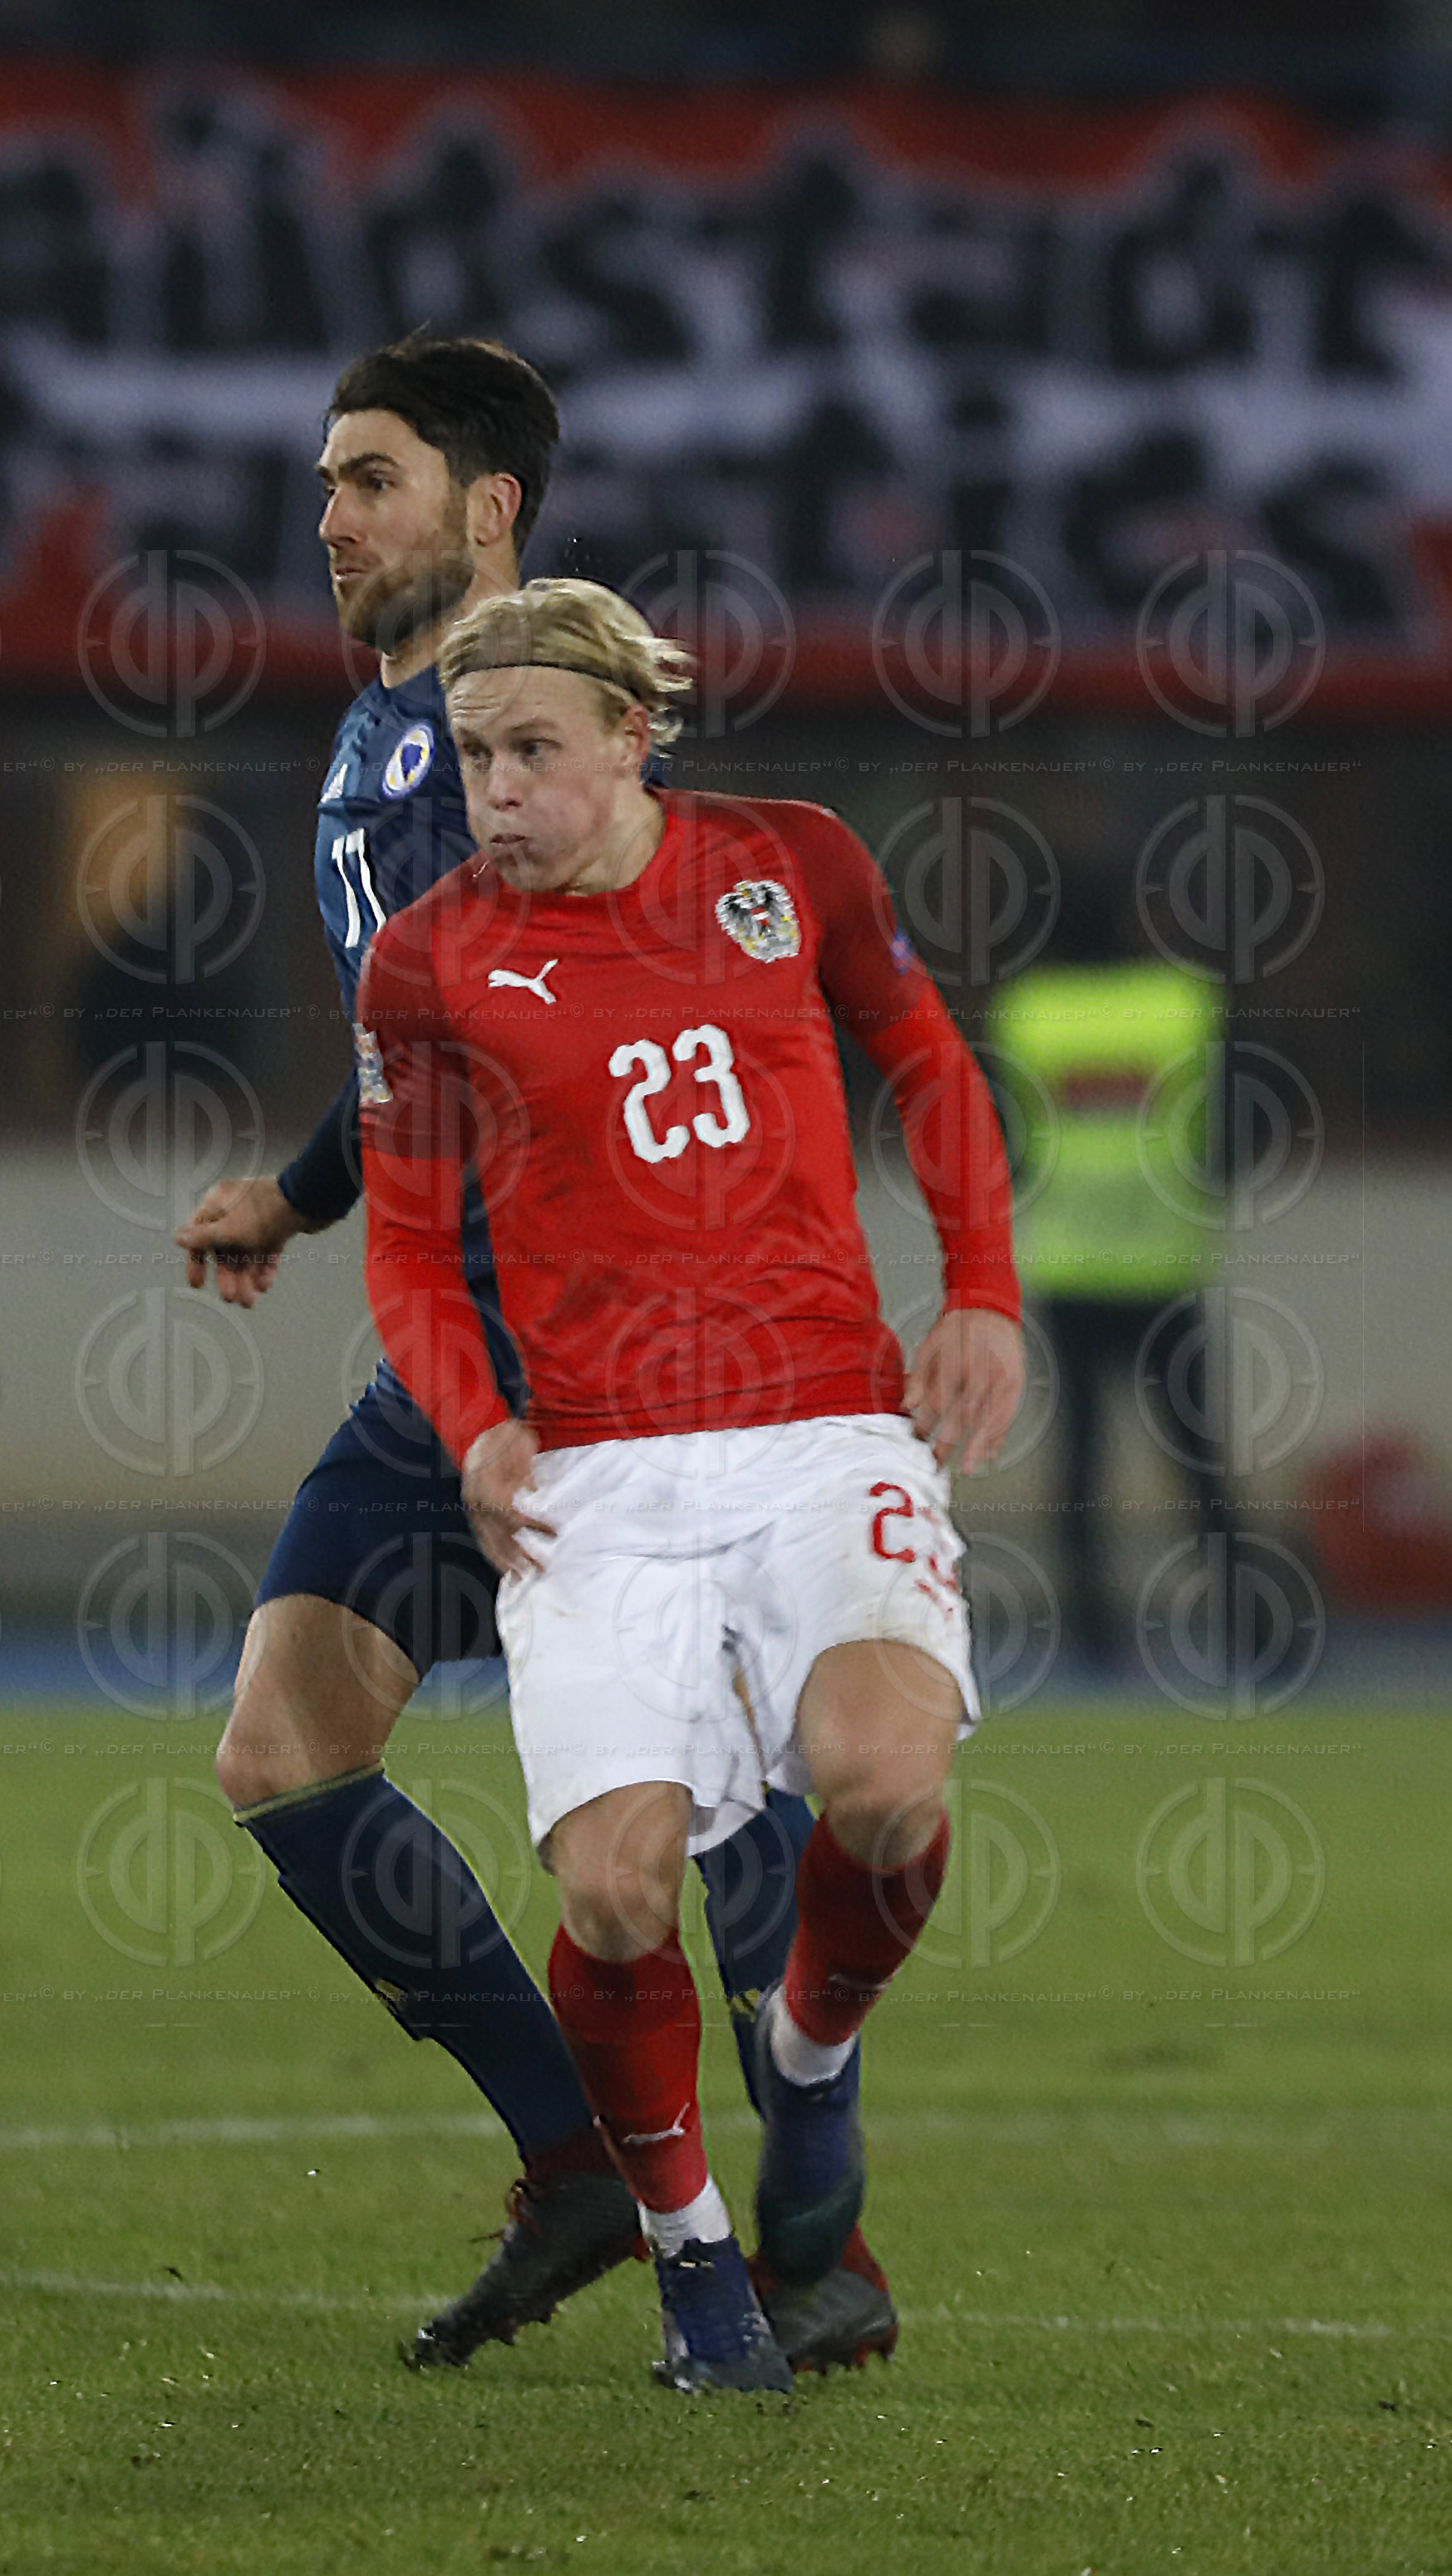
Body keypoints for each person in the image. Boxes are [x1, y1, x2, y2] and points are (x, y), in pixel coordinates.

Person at [174, 338, 860, 2372]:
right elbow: (421, 1056)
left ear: (487, 511)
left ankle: (806, 2226)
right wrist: (303, 1200)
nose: (328, 515)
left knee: (708, 1814)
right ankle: (581, 2167)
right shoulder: (386, 732)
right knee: (289, 1744)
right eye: (321, 480)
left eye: (368, 479)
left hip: (588, 1357)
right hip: (448, 1352)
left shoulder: (521, 748)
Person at [356, 580, 1024, 2392]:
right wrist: (478, 1422)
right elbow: (409, 1248)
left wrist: (979, 1284)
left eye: (532, 752)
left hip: (821, 1425)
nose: (495, 790)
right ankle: (696, 2257)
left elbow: (929, 1061)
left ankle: (807, 2073)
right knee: (617, 1892)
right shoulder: (422, 959)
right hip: (594, 1473)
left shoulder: (789, 863)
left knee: (885, 1784)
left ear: (632, 737)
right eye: (474, 757)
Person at [990, 893, 1230, 1668]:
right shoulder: (1182, 1004)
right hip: (1165, 1262)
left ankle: (1092, 1630)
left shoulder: (1028, 1012)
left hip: (1071, 1263)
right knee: (1196, 1454)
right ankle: (1243, 1620)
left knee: (1080, 1456)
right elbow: (1225, 1123)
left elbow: (1007, 1136)